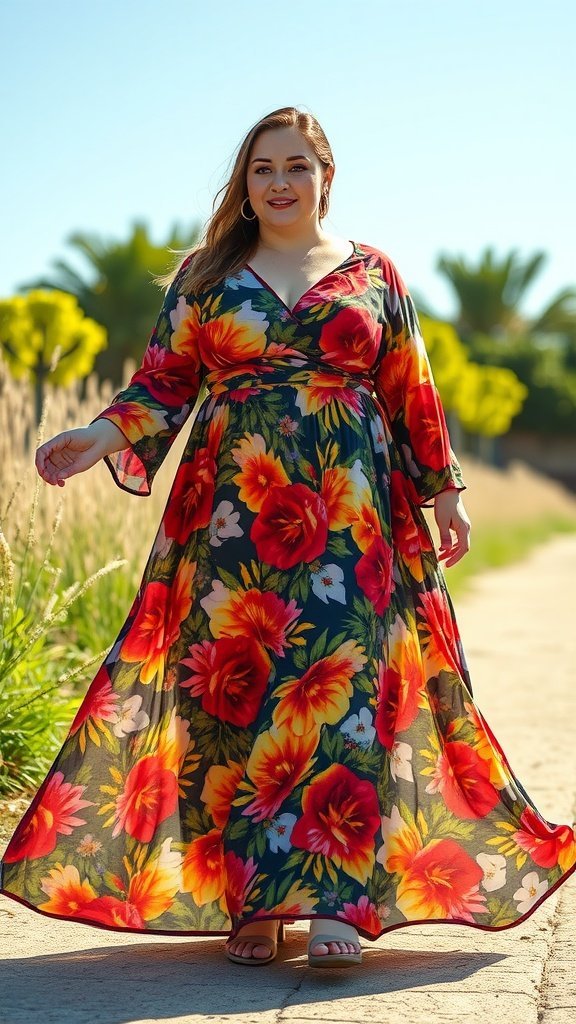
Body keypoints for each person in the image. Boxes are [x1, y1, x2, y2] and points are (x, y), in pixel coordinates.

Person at [1, 105, 575, 971]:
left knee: (340, 690)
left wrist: (446, 493)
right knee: (232, 697)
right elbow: (164, 385)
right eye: (263, 168)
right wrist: (96, 439)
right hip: (231, 513)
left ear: (326, 177)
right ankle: (255, 905)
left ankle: (334, 902)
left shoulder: (371, 273)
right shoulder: (206, 274)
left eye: (296, 166)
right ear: (245, 182)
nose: (279, 182)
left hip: (353, 514)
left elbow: (409, 389)